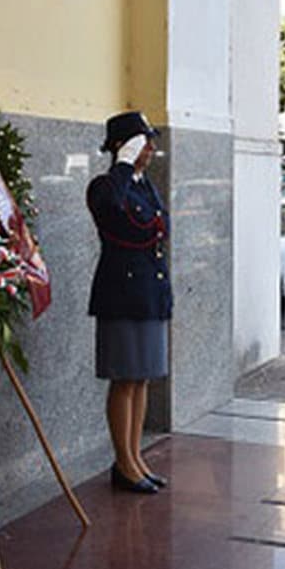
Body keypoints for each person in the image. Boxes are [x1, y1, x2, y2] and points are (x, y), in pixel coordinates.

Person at [87, 111, 172, 494]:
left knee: (141, 378)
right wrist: (122, 163)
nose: (151, 148)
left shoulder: (142, 185)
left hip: (149, 292)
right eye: (143, 141)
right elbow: (109, 209)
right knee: (124, 379)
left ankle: (135, 458)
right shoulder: (106, 186)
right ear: (124, 146)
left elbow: (159, 228)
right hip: (121, 295)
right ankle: (123, 463)